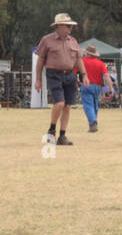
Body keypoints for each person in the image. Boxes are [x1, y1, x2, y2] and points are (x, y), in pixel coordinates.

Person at [33, 13, 87, 146]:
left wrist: (84, 75)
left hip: (70, 75)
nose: (70, 28)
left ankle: (62, 136)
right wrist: (38, 79)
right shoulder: (46, 40)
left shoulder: (73, 41)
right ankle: (52, 129)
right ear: (59, 26)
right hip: (54, 74)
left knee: (68, 106)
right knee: (59, 103)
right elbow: (40, 61)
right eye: (68, 26)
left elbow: (78, 59)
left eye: (71, 26)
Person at [80, 44, 109, 133]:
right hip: (97, 87)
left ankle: (93, 122)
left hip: (86, 85)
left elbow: (74, 72)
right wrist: (110, 88)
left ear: (87, 53)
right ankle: (93, 123)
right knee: (95, 105)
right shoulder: (101, 63)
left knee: (88, 105)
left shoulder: (82, 61)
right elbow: (106, 76)